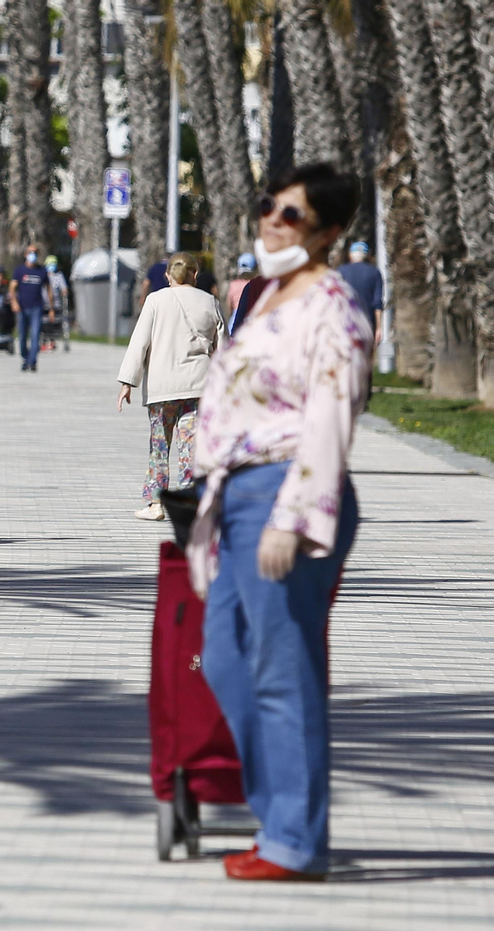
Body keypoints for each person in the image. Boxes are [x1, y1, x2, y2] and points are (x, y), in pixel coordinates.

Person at [189, 162, 370, 882]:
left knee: (283, 670)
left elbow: (331, 414)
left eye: (291, 213)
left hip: (286, 490)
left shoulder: (333, 306)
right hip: (238, 494)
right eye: (269, 205)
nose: (272, 219)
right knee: (226, 657)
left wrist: (292, 517)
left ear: (328, 232)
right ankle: (281, 820)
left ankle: (294, 840)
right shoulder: (268, 297)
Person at [116, 252, 225, 521]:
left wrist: (128, 382)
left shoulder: (155, 300)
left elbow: (140, 342)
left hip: (162, 388)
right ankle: (189, 503)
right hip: (198, 387)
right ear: (195, 274)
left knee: (159, 445)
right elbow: (223, 350)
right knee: (191, 448)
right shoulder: (210, 302)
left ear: (168, 276)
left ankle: (156, 503)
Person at [9, 244, 54, 372]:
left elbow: (48, 289)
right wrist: (14, 302)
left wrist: (51, 308)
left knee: (35, 335)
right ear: (25, 254)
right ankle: (25, 358)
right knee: (22, 336)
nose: (32, 255)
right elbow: (12, 288)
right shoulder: (20, 270)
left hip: (36, 307)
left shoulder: (42, 271)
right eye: (30, 252)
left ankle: (32, 361)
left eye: (35, 252)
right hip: (22, 307)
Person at [337, 240, 384, 348]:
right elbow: (377, 303)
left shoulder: (341, 271)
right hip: (367, 324)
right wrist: (378, 328)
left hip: (345, 323)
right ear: (367, 255)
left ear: (350, 255)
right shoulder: (375, 273)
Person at [43, 255, 70, 349]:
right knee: (44, 322)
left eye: (53, 264)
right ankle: (43, 341)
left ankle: (52, 340)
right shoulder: (43, 275)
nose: (52, 266)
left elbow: (64, 288)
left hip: (55, 303)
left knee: (54, 322)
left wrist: (64, 291)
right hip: (44, 303)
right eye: (50, 264)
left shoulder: (58, 276)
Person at [226, 253, 256, 322]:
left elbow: (229, 305)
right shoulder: (255, 285)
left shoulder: (233, 284)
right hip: (252, 317)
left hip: (235, 317)